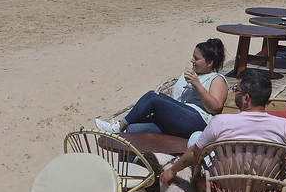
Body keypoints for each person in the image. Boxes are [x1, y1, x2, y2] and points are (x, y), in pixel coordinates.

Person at [158, 68, 286, 187]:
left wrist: (172, 171)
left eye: (236, 90)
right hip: (264, 189)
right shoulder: (285, 126)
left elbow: (194, 154)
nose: (234, 92)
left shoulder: (222, 122)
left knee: (196, 137)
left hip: (224, 186)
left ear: (246, 98)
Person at [96, 39, 228, 137]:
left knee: (152, 97)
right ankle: (127, 171)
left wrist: (198, 85)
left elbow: (215, 108)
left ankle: (118, 126)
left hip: (196, 122)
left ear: (209, 63)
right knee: (133, 130)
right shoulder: (189, 74)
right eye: (193, 57)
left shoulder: (216, 79)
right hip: (175, 121)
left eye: (196, 58)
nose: (192, 61)